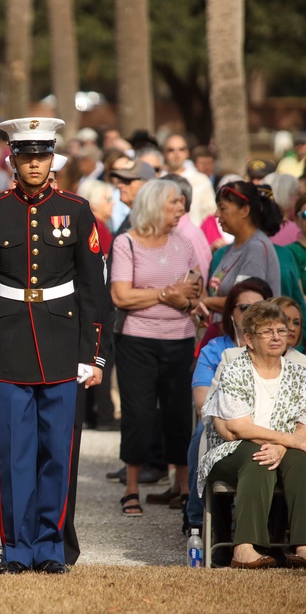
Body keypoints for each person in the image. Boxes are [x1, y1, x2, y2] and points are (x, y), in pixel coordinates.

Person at [0, 116, 106, 574]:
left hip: (63, 346)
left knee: (57, 454)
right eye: (26, 156)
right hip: (10, 344)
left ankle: (50, 546)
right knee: (16, 456)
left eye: (41, 155)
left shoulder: (77, 210)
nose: (34, 163)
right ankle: (17, 548)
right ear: (13, 160)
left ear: (51, 158)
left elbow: (93, 290)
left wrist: (93, 355)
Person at [110, 179, 200, 516]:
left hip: (179, 339)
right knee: (138, 413)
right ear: (154, 205)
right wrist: (166, 294)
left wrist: (163, 294)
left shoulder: (184, 243)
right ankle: (131, 487)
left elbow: (193, 292)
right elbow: (121, 296)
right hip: (137, 341)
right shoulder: (126, 243)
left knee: (178, 413)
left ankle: (184, 486)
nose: (181, 209)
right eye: (174, 202)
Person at [198, 302, 306, 569]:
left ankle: (303, 545)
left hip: (283, 448)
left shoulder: (299, 373)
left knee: (301, 461)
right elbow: (238, 428)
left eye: (282, 330)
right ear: (249, 339)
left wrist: (285, 446)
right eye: (267, 331)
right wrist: (288, 441)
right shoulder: (236, 369)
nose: (277, 336)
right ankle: (244, 549)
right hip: (232, 448)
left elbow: (303, 425)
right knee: (258, 458)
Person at [185, 279, 272, 532]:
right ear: (231, 313)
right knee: (201, 433)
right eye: (244, 307)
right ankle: (197, 519)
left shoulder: (284, 350)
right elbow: (202, 404)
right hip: (224, 422)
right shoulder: (215, 350)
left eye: (260, 306)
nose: (252, 314)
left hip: (269, 423)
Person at [199, 182, 283, 326]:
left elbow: (245, 302)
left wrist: (204, 302)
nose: (216, 214)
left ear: (244, 210)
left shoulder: (256, 248)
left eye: (222, 208)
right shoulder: (232, 247)